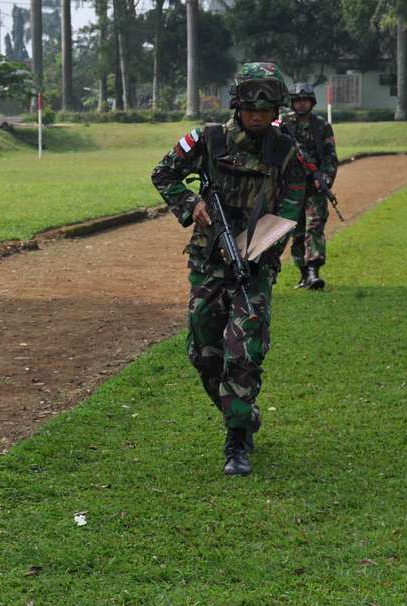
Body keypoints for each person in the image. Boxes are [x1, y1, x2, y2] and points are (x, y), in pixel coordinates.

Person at [151, 62, 305, 475]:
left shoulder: (286, 151)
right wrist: (192, 204)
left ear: (276, 108)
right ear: (237, 105)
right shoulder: (208, 139)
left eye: (266, 108)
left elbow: (292, 204)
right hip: (207, 261)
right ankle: (241, 413)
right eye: (250, 107)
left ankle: (237, 440)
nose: (257, 115)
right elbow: (163, 173)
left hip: (252, 266)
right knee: (205, 353)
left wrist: (266, 250)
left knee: (244, 352)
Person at [276, 82, 339, 289]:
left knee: (315, 225)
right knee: (296, 230)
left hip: (314, 186)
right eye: (297, 100)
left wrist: (325, 178)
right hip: (291, 186)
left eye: (305, 100)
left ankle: (313, 270)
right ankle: (303, 271)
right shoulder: (283, 124)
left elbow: (330, 156)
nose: (301, 104)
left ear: (311, 102)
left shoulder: (321, 125)